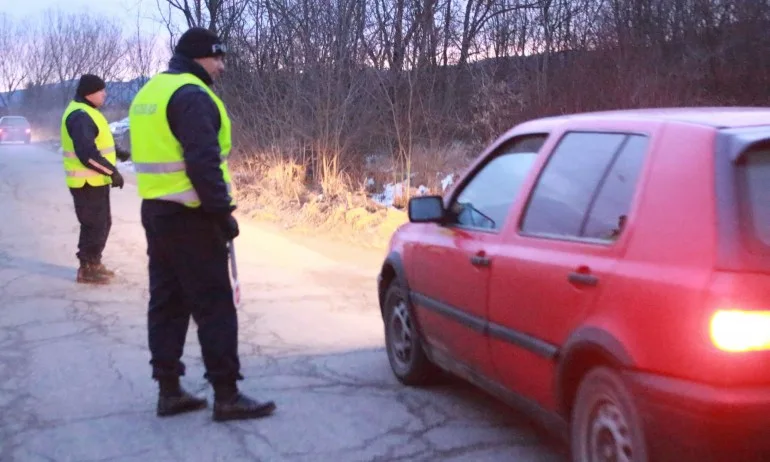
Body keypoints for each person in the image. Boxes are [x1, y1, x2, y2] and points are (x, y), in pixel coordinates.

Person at [129, 27, 276, 421]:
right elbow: (202, 163)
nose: (222, 66)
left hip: (157, 212)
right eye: (218, 58)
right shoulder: (192, 96)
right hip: (192, 216)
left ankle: (169, 390)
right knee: (214, 304)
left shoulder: (149, 93)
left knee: (167, 301)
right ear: (200, 57)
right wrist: (221, 212)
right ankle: (226, 394)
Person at [61, 74, 129, 284]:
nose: (104, 94)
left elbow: (99, 140)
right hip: (87, 182)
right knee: (94, 226)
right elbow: (87, 154)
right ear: (90, 93)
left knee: (101, 224)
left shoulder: (90, 112)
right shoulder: (80, 115)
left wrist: (118, 152)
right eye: (101, 90)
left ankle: (94, 263)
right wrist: (112, 172)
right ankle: (87, 269)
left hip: (94, 182)